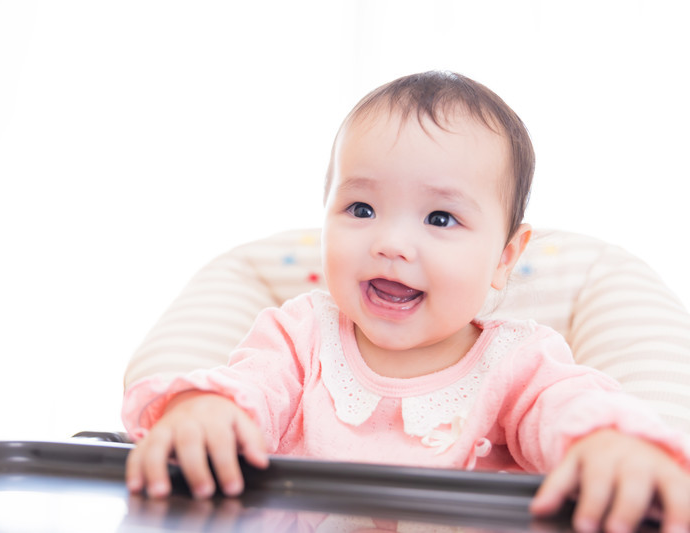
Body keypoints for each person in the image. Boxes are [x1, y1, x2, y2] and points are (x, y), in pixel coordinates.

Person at [123, 71, 690, 533]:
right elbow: (252, 391)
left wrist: (612, 444)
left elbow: (570, 408)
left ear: (503, 259)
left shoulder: (522, 362)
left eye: (441, 218)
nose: (391, 243)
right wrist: (208, 412)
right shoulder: (298, 335)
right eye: (360, 209)